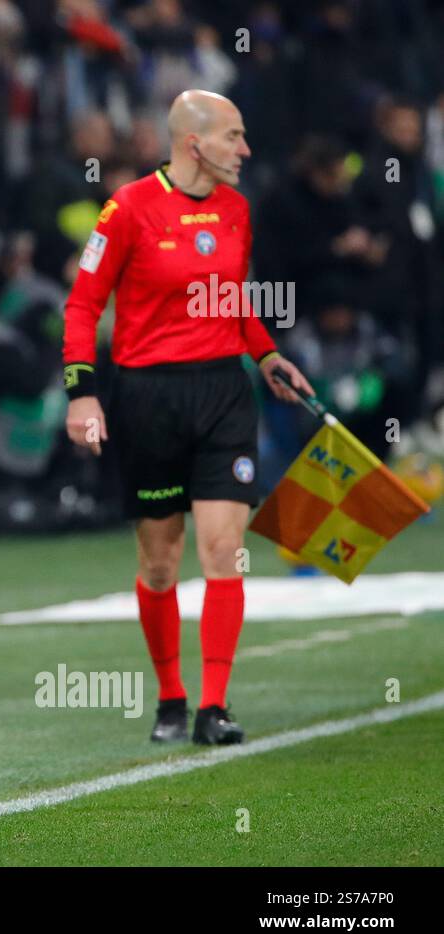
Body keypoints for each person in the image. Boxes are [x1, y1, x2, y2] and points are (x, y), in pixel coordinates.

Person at [62, 90, 314, 746]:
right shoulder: (127, 209)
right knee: (160, 561)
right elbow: (83, 306)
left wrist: (266, 355)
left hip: (223, 392)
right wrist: (81, 393)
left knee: (225, 549)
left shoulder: (237, 210)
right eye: (234, 136)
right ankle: (170, 696)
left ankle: (213, 707)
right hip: (147, 398)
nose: (246, 149)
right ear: (194, 142)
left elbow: (233, 297)